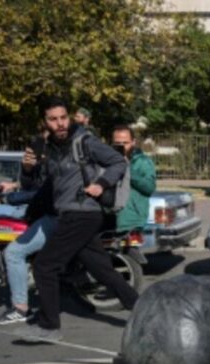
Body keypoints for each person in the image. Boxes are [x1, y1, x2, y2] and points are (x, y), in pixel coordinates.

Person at [19, 97, 139, 341]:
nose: (60, 123)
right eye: (53, 119)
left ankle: (49, 326)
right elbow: (38, 186)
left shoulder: (85, 142)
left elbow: (118, 162)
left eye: (63, 117)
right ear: (45, 121)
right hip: (71, 214)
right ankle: (144, 309)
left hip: (83, 213)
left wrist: (100, 184)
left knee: (44, 265)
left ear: (69, 117)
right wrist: (27, 169)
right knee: (102, 270)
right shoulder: (49, 150)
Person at [0, 132, 56, 325]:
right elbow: (31, 186)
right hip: (40, 211)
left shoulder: (55, 163)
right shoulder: (43, 163)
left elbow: (39, 193)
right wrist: (27, 169)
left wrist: (6, 198)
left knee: (13, 253)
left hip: (48, 214)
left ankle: (20, 308)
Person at [111, 124, 156, 232]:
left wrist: (127, 169)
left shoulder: (142, 162)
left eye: (125, 143)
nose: (122, 146)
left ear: (133, 142)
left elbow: (149, 187)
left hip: (132, 220)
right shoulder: (106, 161)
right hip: (109, 219)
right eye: (117, 143)